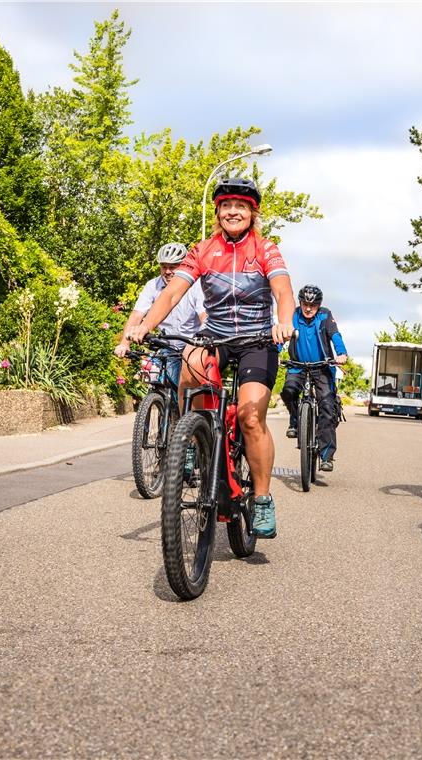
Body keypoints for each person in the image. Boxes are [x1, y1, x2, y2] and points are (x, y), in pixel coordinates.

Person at [126, 177, 295, 538]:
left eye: (242, 206)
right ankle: (192, 437)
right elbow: (171, 294)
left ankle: (262, 499)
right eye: (227, 206)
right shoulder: (202, 250)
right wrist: (143, 325)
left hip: (257, 339)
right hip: (216, 335)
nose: (233, 211)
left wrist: (284, 323)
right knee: (189, 359)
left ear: (252, 213)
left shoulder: (267, 249)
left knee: (251, 418)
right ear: (218, 212)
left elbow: (283, 292)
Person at [113, 242, 206, 393]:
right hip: (166, 344)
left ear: (183, 266)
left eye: (173, 267)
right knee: (155, 380)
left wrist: (204, 339)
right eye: (164, 266)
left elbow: (204, 316)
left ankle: (190, 414)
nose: (168, 271)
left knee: (189, 388)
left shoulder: (196, 286)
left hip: (190, 344)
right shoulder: (152, 286)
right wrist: (125, 343)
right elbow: (136, 315)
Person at [280, 284, 348, 471]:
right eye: (305, 304)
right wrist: (275, 352)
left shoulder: (325, 315)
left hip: (323, 367)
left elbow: (335, 335)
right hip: (297, 366)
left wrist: (341, 353)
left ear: (319, 305)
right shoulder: (293, 315)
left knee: (327, 405)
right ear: (300, 303)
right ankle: (295, 419)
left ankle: (326, 455)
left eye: (313, 305)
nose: (308, 308)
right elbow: (282, 336)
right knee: (288, 391)